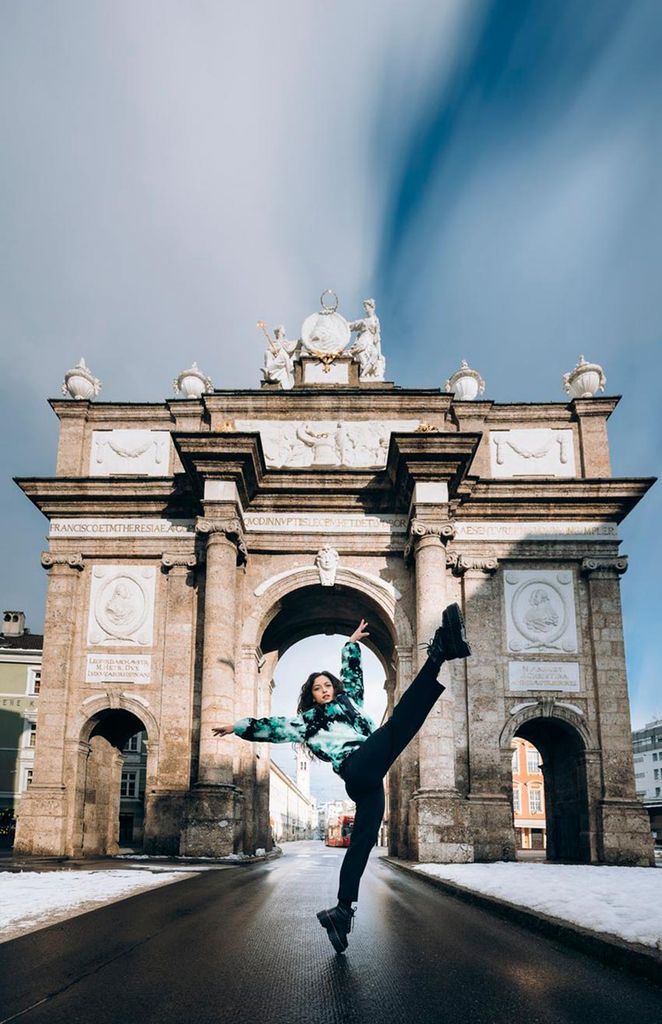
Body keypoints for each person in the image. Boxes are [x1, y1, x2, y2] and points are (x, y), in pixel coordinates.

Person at [212, 603, 471, 954]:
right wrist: (237, 726)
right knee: (397, 727)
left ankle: (342, 910)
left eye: (327, 685)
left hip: (370, 776)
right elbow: (274, 727)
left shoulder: (350, 702)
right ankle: (440, 652)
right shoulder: (309, 722)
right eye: (317, 688)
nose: (324, 690)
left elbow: (353, 678)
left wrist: (350, 645)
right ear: (311, 695)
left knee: (362, 843)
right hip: (356, 767)